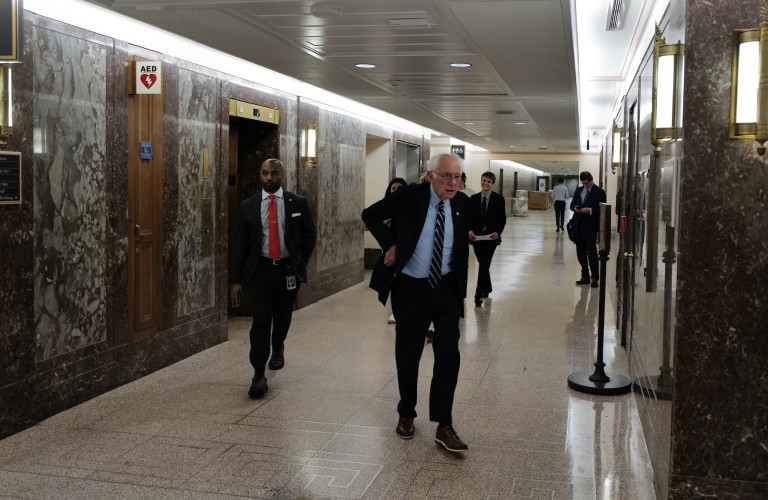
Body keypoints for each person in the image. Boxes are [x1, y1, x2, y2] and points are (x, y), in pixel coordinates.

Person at [361, 153, 471, 453]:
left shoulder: (462, 204)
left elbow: (461, 247)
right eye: (447, 176)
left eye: (457, 177)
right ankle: (406, 412)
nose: (453, 183)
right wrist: (391, 244)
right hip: (411, 287)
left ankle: (444, 424)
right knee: (409, 353)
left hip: (446, 288)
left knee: (448, 354)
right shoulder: (410, 196)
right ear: (431, 176)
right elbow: (370, 214)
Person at [229, 159, 317, 398]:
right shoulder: (248, 206)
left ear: (282, 175)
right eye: (265, 173)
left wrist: (299, 261)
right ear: (260, 175)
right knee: (260, 320)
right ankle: (258, 373)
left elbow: (310, 235)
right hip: (259, 271)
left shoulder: (297, 202)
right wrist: (235, 280)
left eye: (274, 173)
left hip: (287, 270)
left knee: (283, 316)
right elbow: (240, 244)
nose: (269, 177)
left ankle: (278, 344)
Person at [468, 171, 506, 307]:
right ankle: (487, 288)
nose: (485, 183)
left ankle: (477, 295)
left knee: (483, 265)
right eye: (484, 180)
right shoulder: (473, 199)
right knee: (484, 265)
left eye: (488, 182)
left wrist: (497, 232)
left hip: (491, 239)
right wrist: (470, 230)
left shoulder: (498, 199)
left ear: (492, 184)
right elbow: (469, 218)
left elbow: (502, 220)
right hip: (477, 238)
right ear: (481, 181)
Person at [570, 171, 606, 288]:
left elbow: (602, 209)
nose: (585, 185)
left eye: (586, 183)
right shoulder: (579, 190)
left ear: (591, 180)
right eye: (583, 183)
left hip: (590, 227)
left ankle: (594, 277)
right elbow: (572, 204)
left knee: (591, 252)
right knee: (580, 252)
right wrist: (575, 208)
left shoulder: (599, 192)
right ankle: (584, 275)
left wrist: (590, 210)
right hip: (578, 225)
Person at [384, 177, 406, 324]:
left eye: (399, 189)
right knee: (393, 283)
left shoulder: (409, 206)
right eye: (393, 188)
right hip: (389, 250)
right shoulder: (384, 206)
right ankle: (395, 312)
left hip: (405, 251)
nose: (396, 191)